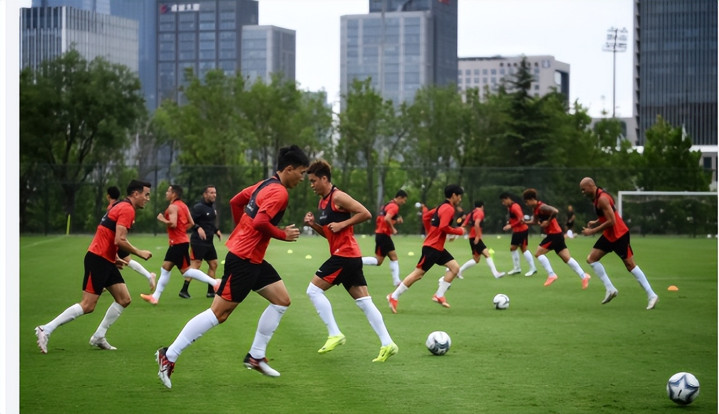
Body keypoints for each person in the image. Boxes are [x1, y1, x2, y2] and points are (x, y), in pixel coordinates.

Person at [154, 145, 309, 388]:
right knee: (219, 314)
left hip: (251, 257)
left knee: (281, 300)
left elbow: (236, 201)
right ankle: (169, 355)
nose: (302, 178)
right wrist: (282, 234)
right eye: (301, 172)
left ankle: (256, 356)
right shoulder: (279, 193)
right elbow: (260, 221)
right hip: (244, 260)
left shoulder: (264, 184)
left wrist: (241, 231)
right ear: (289, 169)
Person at [34, 180, 153, 353]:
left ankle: (99, 336)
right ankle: (46, 329)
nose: (147, 198)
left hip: (105, 259)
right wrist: (139, 252)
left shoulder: (120, 205)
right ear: (136, 194)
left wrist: (114, 256)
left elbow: (107, 232)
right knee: (88, 305)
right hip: (98, 259)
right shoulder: (127, 209)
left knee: (124, 299)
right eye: (146, 194)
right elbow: (119, 239)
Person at [303, 160, 398, 362]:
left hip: (344, 255)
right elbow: (330, 234)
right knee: (365, 302)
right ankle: (388, 343)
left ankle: (334, 333)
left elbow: (366, 213)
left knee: (313, 290)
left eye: (313, 181)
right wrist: (313, 225)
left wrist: (344, 223)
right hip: (347, 256)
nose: (311, 185)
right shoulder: (322, 202)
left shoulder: (338, 196)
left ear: (324, 179)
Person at [579, 177, 659, 310]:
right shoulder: (598, 197)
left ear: (591, 186)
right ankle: (610, 289)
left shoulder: (602, 198)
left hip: (619, 235)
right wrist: (597, 221)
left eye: (583, 189)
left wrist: (592, 231)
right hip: (609, 235)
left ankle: (652, 295)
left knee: (630, 265)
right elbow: (609, 213)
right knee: (591, 259)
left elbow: (612, 221)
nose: (582, 192)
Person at [386, 184, 467, 313]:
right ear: (453, 195)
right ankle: (393, 296)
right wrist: (459, 231)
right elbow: (443, 227)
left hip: (437, 247)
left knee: (455, 268)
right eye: (459, 196)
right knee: (418, 274)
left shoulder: (440, 207)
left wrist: (431, 232)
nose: (460, 199)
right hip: (432, 248)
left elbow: (426, 217)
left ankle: (439, 295)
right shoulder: (449, 209)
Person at [140, 185, 219, 305]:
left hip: (177, 243)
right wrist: (181, 230)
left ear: (174, 194)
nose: (166, 193)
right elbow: (191, 223)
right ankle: (155, 297)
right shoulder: (183, 206)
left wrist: (162, 219)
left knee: (184, 271)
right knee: (167, 268)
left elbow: (173, 224)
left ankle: (215, 283)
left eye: (168, 191)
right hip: (180, 242)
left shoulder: (172, 207)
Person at [521, 189, 591, 288]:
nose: (526, 204)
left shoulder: (542, 206)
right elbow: (535, 221)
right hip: (558, 235)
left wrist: (548, 221)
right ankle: (584, 276)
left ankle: (551, 275)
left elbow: (555, 211)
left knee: (538, 253)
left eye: (527, 201)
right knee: (567, 259)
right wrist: (525, 222)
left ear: (532, 199)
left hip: (554, 234)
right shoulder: (535, 209)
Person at [106, 186, 156, 292]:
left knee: (120, 262)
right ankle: (149, 276)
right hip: (116, 240)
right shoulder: (122, 204)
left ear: (108, 196)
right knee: (124, 261)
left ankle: (102, 282)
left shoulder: (113, 207)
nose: (147, 199)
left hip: (114, 241)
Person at [179, 185, 223, 299]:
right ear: (205, 194)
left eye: (215, 192)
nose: (214, 195)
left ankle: (211, 291)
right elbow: (190, 221)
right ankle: (184, 290)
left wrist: (216, 230)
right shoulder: (198, 207)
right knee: (196, 265)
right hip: (198, 242)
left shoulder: (212, 207)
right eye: (211, 193)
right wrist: (198, 227)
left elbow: (210, 223)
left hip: (209, 242)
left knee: (213, 264)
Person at [361, 189, 408, 287]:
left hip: (380, 234)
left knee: (378, 261)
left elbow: (384, 219)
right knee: (394, 257)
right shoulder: (394, 206)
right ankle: (397, 281)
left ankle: (357, 260)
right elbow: (387, 218)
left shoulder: (388, 204)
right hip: (384, 235)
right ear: (400, 198)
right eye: (404, 200)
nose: (404, 202)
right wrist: (393, 229)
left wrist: (396, 222)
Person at [457, 200, 506, 279]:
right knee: (486, 255)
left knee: (476, 259)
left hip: (472, 237)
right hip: (475, 238)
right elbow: (477, 224)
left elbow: (463, 224)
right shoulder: (480, 212)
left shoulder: (471, 213)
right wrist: (478, 236)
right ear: (482, 206)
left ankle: (458, 271)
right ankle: (496, 274)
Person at [499, 192, 537, 277]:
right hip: (517, 231)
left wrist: (511, 225)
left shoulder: (515, 207)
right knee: (514, 248)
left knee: (522, 249)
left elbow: (521, 219)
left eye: (503, 201)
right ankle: (517, 268)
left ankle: (532, 268)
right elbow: (513, 218)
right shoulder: (510, 207)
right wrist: (509, 222)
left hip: (521, 230)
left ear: (508, 199)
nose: (503, 203)